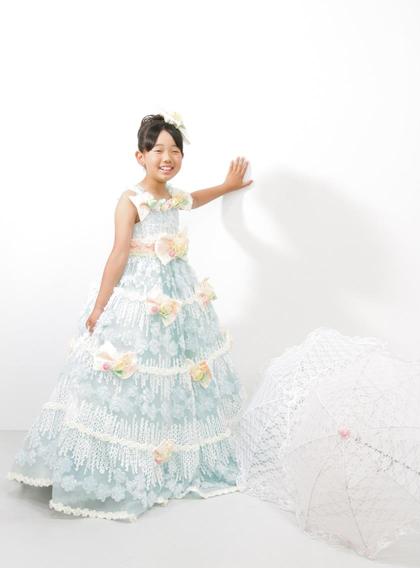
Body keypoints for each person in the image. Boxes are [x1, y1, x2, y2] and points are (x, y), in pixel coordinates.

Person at [7, 111, 253, 521]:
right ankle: (119, 459)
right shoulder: (131, 200)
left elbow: (194, 199)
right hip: (140, 299)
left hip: (175, 297)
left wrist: (227, 186)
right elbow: (119, 252)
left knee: (171, 369)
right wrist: (101, 305)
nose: (167, 157)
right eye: (158, 150)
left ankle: (164, 451)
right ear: (141, 156)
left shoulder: (174, 197)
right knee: (131, 373)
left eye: (175, 151)